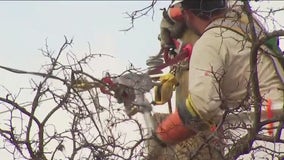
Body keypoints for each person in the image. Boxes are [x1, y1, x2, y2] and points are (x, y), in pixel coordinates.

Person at [154, 0, 284, 158]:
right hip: (275, 120)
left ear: (187, 14)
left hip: (265, 134)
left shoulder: (209, 43)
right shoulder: (245, 19)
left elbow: (200, 108)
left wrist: (159, 137)